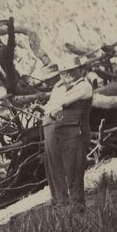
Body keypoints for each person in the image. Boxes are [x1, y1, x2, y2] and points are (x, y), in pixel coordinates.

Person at [40, 55, 94, 212]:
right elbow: (50, 107)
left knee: (74, 171)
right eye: (64, 72)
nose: (68, 75)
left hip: (75, 133)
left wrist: (50, 108)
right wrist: (48, 109)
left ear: (81, 70)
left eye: (72, 71)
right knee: (54, 170)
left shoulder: (84, 86)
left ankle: (78, 208)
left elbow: (60, 104)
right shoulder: (58, 88)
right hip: (56, 132)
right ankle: (61, 206)